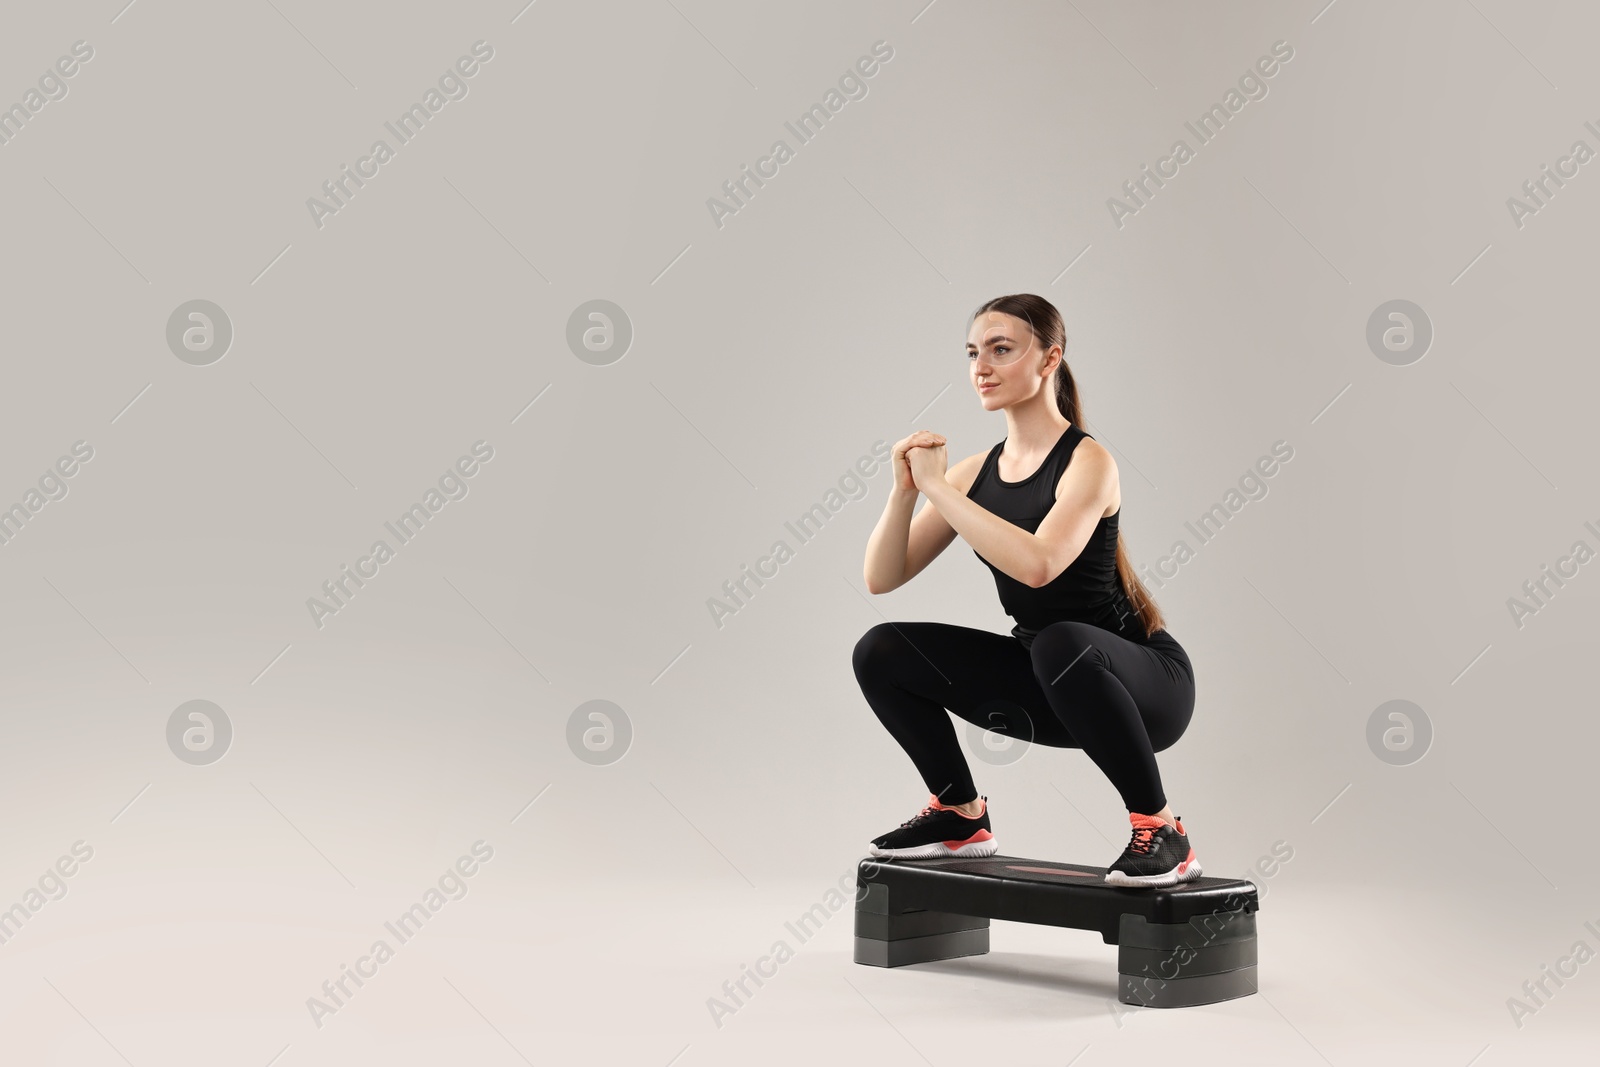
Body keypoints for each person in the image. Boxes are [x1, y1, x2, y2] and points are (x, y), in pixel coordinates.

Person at [853, 293, 1199, 888]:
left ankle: (1163, 828)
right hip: (1049, 681)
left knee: (1060, 642)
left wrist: (941, 492)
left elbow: (1041, 566)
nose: (980, 367)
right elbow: (882, 578)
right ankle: (960, 815)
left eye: (1001, 349)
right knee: (880, 649)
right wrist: (907, 491)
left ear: (1049, 360)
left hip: (1144, 690)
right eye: (973, 353)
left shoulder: (1089, 462)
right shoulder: (972, 474)